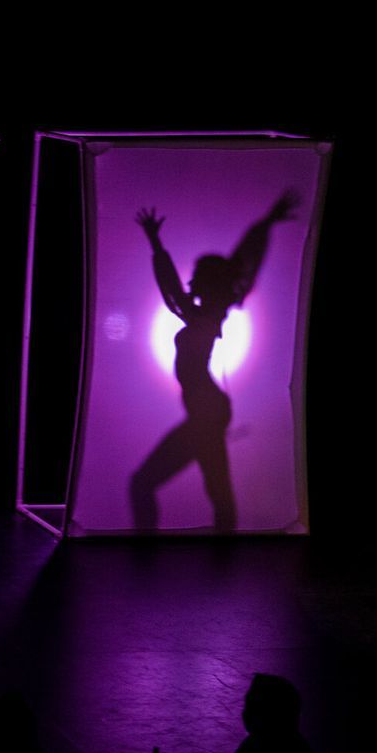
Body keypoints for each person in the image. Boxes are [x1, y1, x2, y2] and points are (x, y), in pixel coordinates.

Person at [130, 190, 298, 532]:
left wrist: (156, 245)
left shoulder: (207, 314)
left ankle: (154, 552)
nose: (192, 280)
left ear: (208, 283)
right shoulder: (201, 314)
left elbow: (193, 285)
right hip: (208, 411)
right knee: (216, 493)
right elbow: (180, 292)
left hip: (208, 411)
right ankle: (218, 553)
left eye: (198, 275)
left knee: (151, 484)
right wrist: (156, 245)